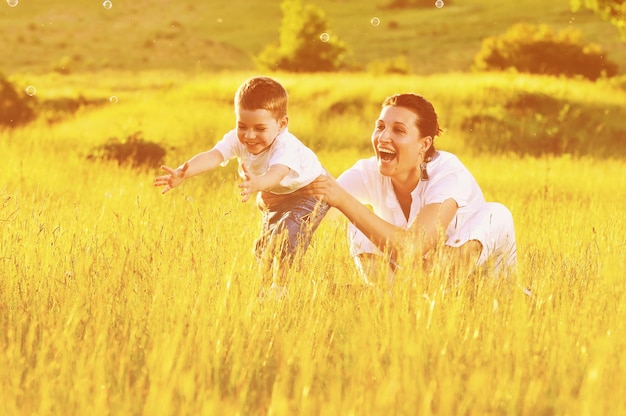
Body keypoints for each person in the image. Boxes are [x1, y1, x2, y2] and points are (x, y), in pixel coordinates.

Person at [263, 93, 517, 287]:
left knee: (496, 212)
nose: (383, 137)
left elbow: (413, 248)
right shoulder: (368, 171)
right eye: (380, 126)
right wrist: (277, 192)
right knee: (356, 220)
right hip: (411, 292)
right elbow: (319, 207)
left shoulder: (449, 175)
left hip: (477, 288)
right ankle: (390, 298)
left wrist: (342, 199)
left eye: (398, 130)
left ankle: (394, 295)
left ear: (424, 144)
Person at [154, 76, 329, 295]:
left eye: (259, 128)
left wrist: (259, 183)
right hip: (277, 197)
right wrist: (184, 172)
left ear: (282, 124)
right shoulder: (239, 139)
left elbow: (277, 173)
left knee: (285, 236)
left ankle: (281, 290)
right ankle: (263, 290)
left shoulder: (286, 145)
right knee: (264, 247)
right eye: (242, 126)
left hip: (309, 194)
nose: (249, 135)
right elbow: (214, 156)